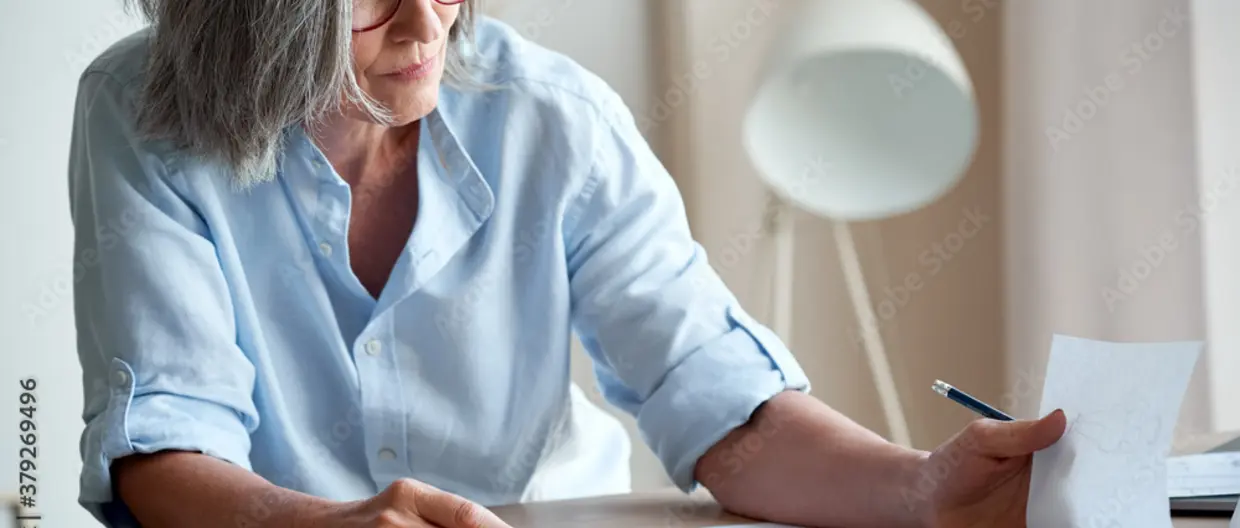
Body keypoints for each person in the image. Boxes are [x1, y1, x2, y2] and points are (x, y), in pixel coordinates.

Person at [68, 0, 1066, 526]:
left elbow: (710, 396)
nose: (428, 26)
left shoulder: (557, 117)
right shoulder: (139, 115)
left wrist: (925, 489)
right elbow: (165, 441)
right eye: (367, 2)